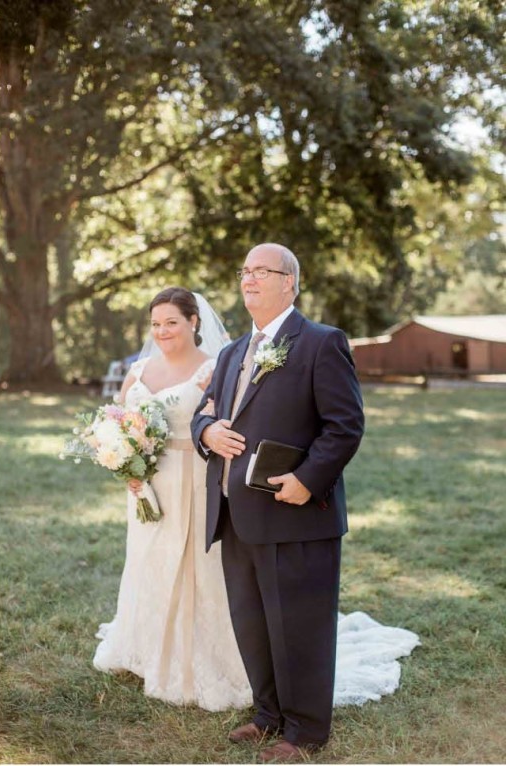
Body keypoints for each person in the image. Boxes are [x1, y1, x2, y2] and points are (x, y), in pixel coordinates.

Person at [192, 243, 365, 762]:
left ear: (290, 281)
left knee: (300, 627)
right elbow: (204, 413)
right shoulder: (230, 354)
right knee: (253, 622)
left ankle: (306, 731)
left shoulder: (320, 343)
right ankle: (268, 715)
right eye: (244, 270)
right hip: (235, 514)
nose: (249, 279)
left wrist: (308, 480)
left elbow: (345, 425)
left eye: (261, 271)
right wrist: (207, 434)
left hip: (294, 514)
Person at [93, 287, 252, 710]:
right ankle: (145, 648)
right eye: (156, 324)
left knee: (198, 566)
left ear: (194, 322)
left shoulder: (215, 369)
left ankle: (201, 658)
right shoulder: (139, 370)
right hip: (147, 484)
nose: (163, 331)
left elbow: (228, 421)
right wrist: (124, 462)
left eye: (172, 322)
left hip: (195, 478)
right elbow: (120, 422)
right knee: (149, 559)